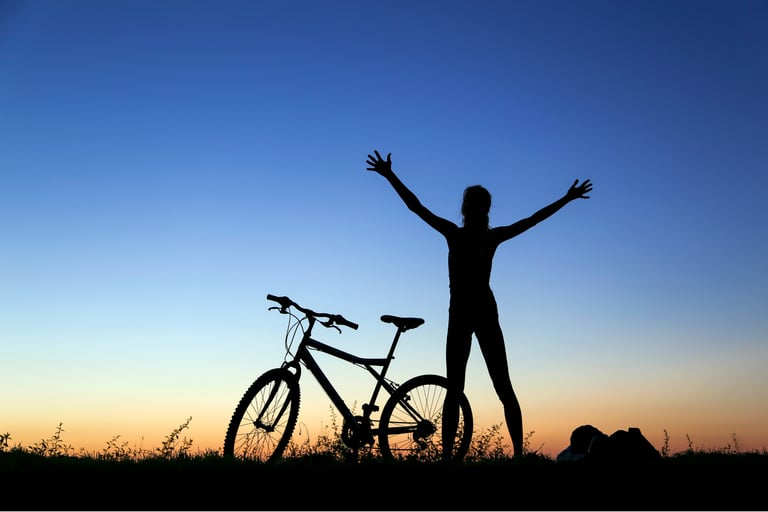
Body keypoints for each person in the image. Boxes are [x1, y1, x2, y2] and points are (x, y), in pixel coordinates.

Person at [365, 150, 593, 459]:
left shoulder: (458, 234)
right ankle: (512, 456)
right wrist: (566, 198)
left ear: (466, 209)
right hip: (477, 312)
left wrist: (390, 175)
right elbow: (532, 220)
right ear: (485, 209)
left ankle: (459, 458)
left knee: (461, 389)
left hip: (468, 313)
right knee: (494, 388)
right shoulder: (485, 236)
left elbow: (415, 207)